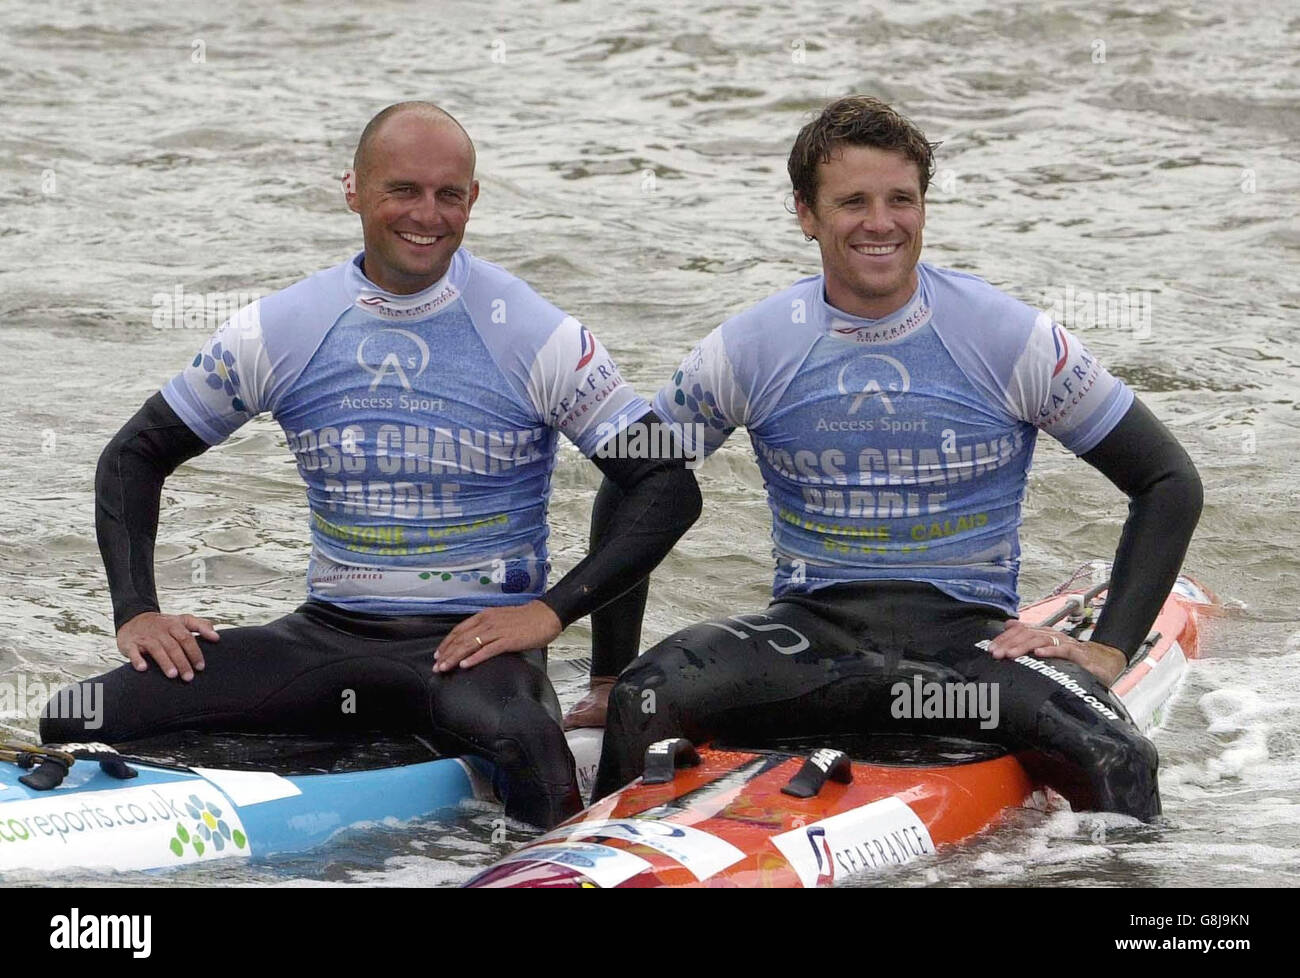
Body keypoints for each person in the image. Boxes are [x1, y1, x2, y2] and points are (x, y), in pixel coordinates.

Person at [40, 101, 701, 829]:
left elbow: (665, 484)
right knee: (77, 717)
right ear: (353, 189)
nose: (428, 214)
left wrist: (548, 612)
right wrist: (138, 612)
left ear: (473, 200)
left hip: (475, 652)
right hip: (328, 635)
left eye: (450, 194)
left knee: (530, 750)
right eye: (403, 190)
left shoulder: (533, 333)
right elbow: (135, 455)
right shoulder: (283, 327)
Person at [585, 96, 1202, 821]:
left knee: (1116, 754)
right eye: (853, 201)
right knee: (644, 699)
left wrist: (1109, 650)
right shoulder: (753, 346)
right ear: (806, 214)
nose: (881, 223)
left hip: (967, 656)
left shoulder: (1009, 338)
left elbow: (1167, 481)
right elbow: (634, 479)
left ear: (923, 207)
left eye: (900, 199)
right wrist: (606, 673)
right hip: (810, 640)